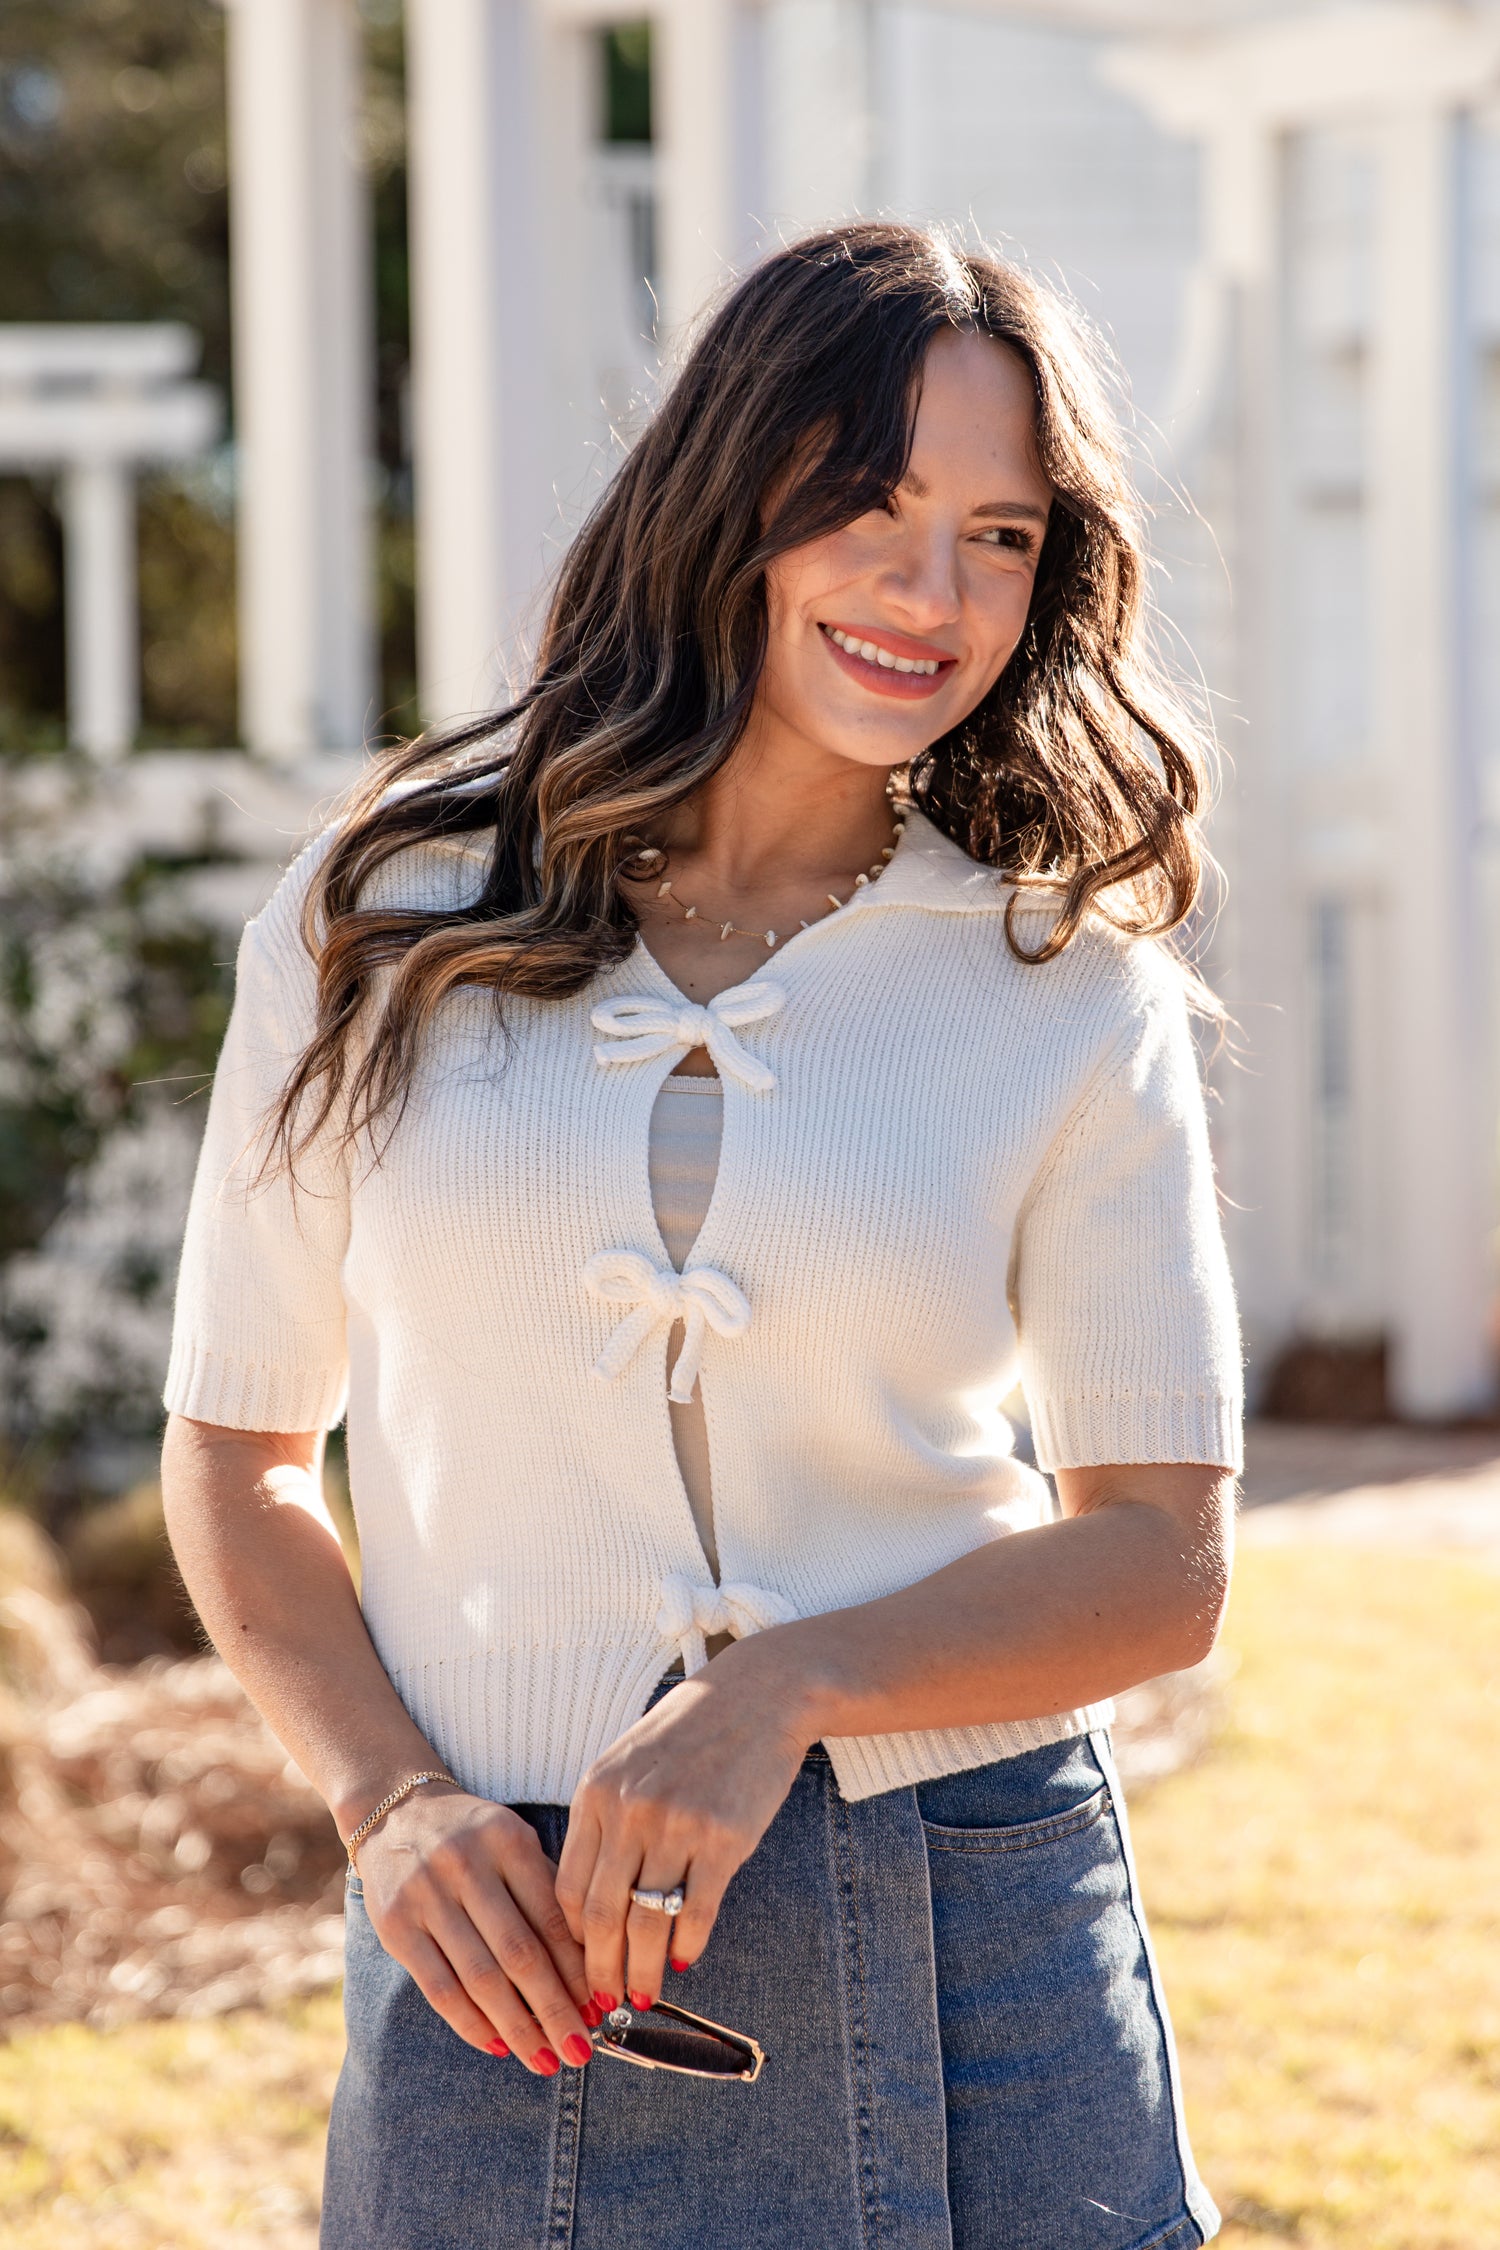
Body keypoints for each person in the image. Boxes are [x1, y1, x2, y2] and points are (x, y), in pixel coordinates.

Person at [161, 223, 1241, 2249]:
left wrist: (787, 1687)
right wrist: (390, 1800)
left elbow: (1161, 1560)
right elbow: (236, 1450)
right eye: (872, 505)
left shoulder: (1070, 987)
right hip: (498, 1927)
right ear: (731, 490)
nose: (934, 596)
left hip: (976, 1911)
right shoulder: (381, 917)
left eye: (1001, 537)